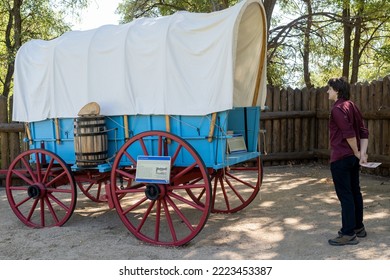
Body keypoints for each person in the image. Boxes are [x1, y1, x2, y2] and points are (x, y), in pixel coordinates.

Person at [327, 77, 369, 246]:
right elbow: (364, 132)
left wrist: (358, 152)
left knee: (346, 196)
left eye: (329, 89)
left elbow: (349, 133)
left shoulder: (337, 109)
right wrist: (361, 154)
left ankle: (348, 233)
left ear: (336, 90)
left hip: (341, 158)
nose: (327, 92)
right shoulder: (352, 106)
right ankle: (358, 227)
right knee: (355, 192)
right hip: (352, 158)